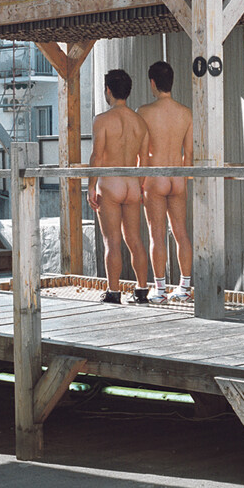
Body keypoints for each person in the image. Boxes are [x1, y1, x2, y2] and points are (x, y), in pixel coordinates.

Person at [87, 69, 150, 305]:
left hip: (110, 183)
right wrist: (140, 185)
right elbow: (144, 160)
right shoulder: (139, 122)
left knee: (112, 241)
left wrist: (91, 186)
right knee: (135, 239)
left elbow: (97, 156)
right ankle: (141, 290)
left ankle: (113, 292)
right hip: (132, 183)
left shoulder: (102, 120)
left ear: (108, 90)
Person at [137, 61, 193, 303]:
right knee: (181, 232)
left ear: (152, 83)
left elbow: (142, 153)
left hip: (155, 177)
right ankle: (185, 287)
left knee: (157, 235)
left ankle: (160, 290)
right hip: (178, 176)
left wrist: (140, 183)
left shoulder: (144, 112)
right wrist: (184, 181)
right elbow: (189, 154)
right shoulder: (186, 112)